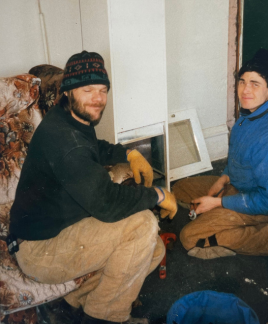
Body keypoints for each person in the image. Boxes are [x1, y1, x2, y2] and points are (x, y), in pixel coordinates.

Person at [9, 50, 177, 324]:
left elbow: (92, 149)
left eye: (102, 90)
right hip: (38, 248)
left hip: (59, 229)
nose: (98, 99)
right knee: (143, 226)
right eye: (88, 90)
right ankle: (105, 317)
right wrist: (157, 195)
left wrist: (127, 154)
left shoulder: (70, 118)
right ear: (68, 91)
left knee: (153, 250)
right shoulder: (64, 139)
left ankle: (74, 304)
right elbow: (107, 204)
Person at [173, 49, 268, 259]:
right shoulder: (251, 112)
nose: (245, 90)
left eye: (254, 83)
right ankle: (221, 214)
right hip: (241, 184)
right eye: (242, 81)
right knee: (180, 190)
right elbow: (238, 156)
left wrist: (216, 202)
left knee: (189, 238)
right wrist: (222, 179)